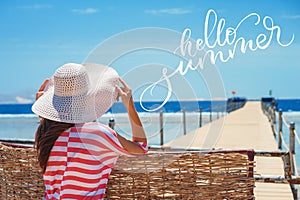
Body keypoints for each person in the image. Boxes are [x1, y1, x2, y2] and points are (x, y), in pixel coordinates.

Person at [32, 63, 148, 199]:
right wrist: (129, 105)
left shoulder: (43, 134)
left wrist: (45, 114)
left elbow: (59, 131)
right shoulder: (97, 134)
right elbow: (142, 147)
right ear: (88, 97)